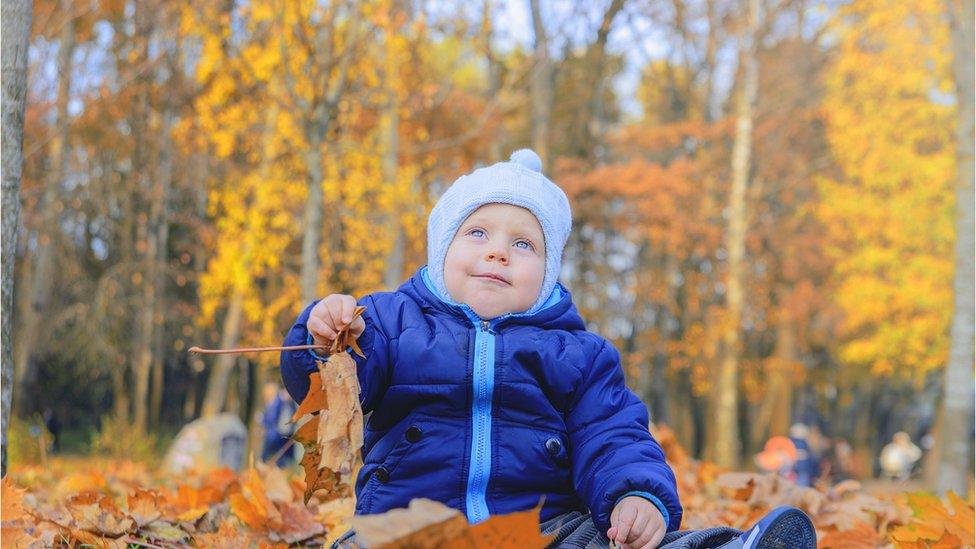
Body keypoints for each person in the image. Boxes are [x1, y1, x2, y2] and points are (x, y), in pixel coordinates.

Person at [280, 150, 817, 549]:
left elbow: (612, 435)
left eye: (522, 244)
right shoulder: (391, 323)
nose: (498, 252)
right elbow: (324, 398)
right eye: (478, 233)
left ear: (548, 272)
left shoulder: (578, 354)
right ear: (441, 250)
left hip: (543, 528)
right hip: (410, 524)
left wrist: (635, 496)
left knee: (617, 545)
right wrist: (321, 338)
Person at [260, 381, 297, 466]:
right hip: (276, 435)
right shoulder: (277, 402)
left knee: (286, 457)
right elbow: (271, 418)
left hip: (287, 435)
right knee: (272, 456)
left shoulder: (290, 404)